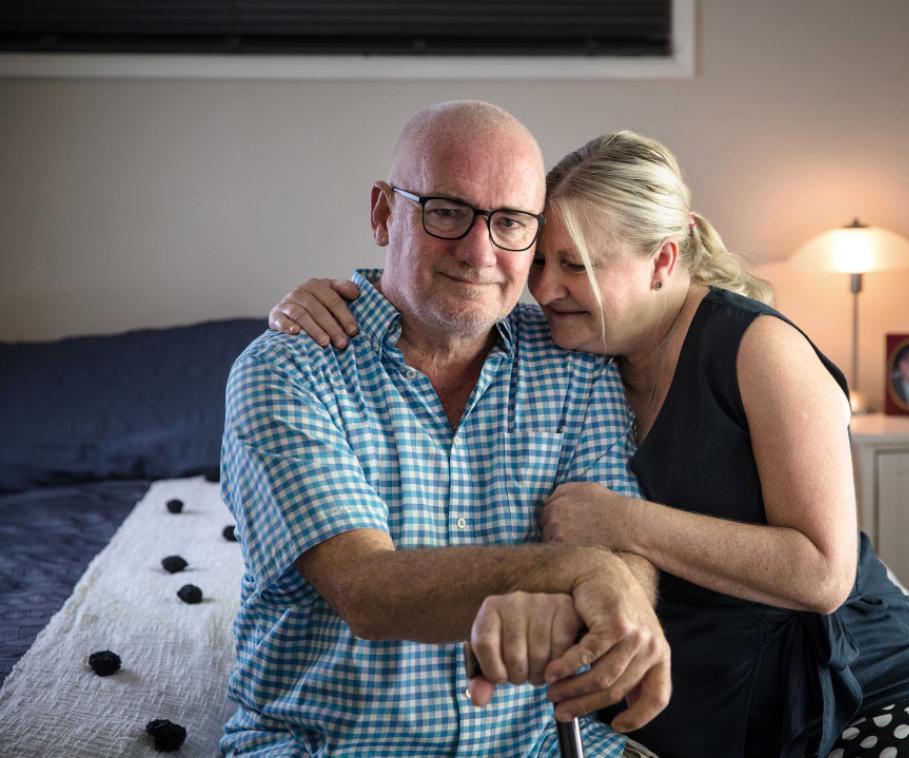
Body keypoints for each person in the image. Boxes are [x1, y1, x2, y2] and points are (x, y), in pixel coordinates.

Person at [272, 130, 909, 758]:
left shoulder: (759, 350)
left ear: (664, 260)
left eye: (575, 267)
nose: (543, 289)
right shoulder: (582, 345)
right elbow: (445, 296)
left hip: (856, 694)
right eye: (541, 260)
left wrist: (618, 523)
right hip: (715, 705)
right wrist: (326, 300)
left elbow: (824, 574)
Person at [221, 101, 671, 758]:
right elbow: (366, 589)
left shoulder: (575, 365)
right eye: (446, 212)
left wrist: (608, 586)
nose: (478, 251)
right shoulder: (290, 368)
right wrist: (581, 572)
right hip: (335, 747)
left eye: (511, 222)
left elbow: (624, 552)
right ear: (383, 213)